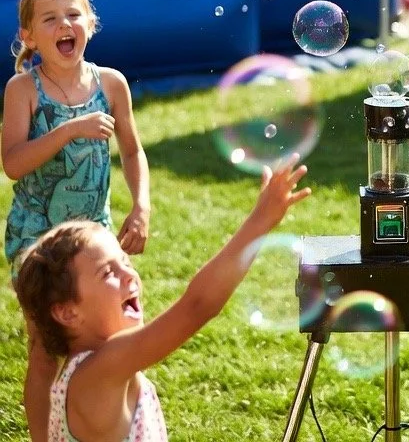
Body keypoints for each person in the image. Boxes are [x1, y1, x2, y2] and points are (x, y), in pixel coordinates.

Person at [15, 156, 309, 442]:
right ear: (66, 312)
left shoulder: (74, 378)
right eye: (108, 272)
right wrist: (261, 220)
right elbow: (197, 306)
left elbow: (41, 403)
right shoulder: (100, 372)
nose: (130, 275)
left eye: (125, 261)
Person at [1, 0, 151, 442]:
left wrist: (141, 204)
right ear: (29, 36)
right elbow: (12, 163)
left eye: (73, 14)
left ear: (90, 22)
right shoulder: (23, 90)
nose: (65, 23)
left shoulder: (111, 82)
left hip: (95, 240)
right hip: (38, 242)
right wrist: (69, 129)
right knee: (47, 351)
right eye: (50, 18)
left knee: (112, 345)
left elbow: (131, 150)